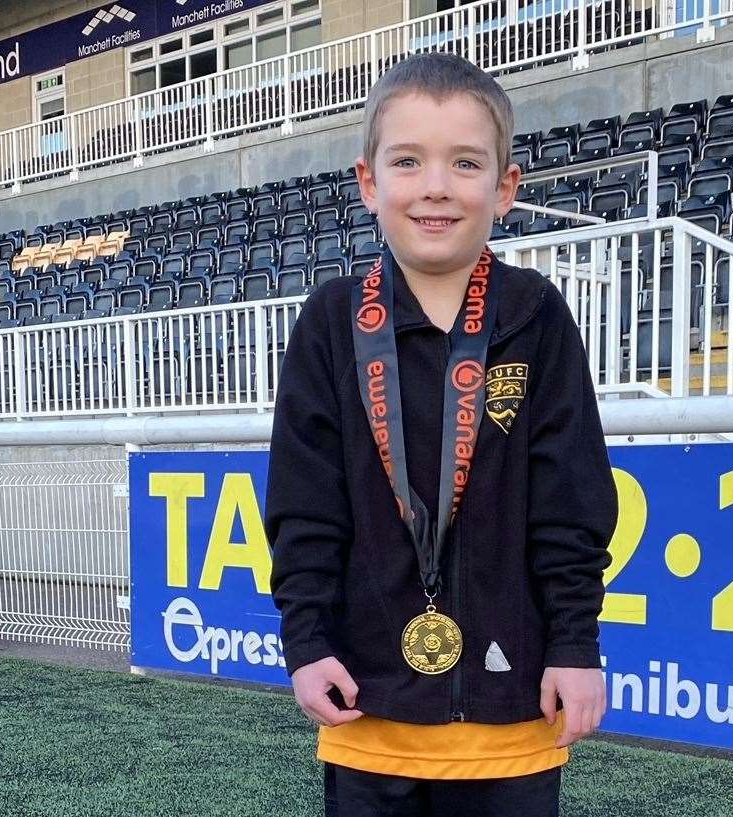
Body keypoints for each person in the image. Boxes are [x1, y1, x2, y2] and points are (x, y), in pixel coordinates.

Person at [265, 50, 619, 817]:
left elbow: (572, 499)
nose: (435, 186)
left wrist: (573, 644)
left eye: (465, 163)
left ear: (504, 187)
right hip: (366, 706)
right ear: (368, 183)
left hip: (515, 706)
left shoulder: (534, 315)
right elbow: (304, 506)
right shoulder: (330, 322)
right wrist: (305, 640)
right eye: (407, 161)